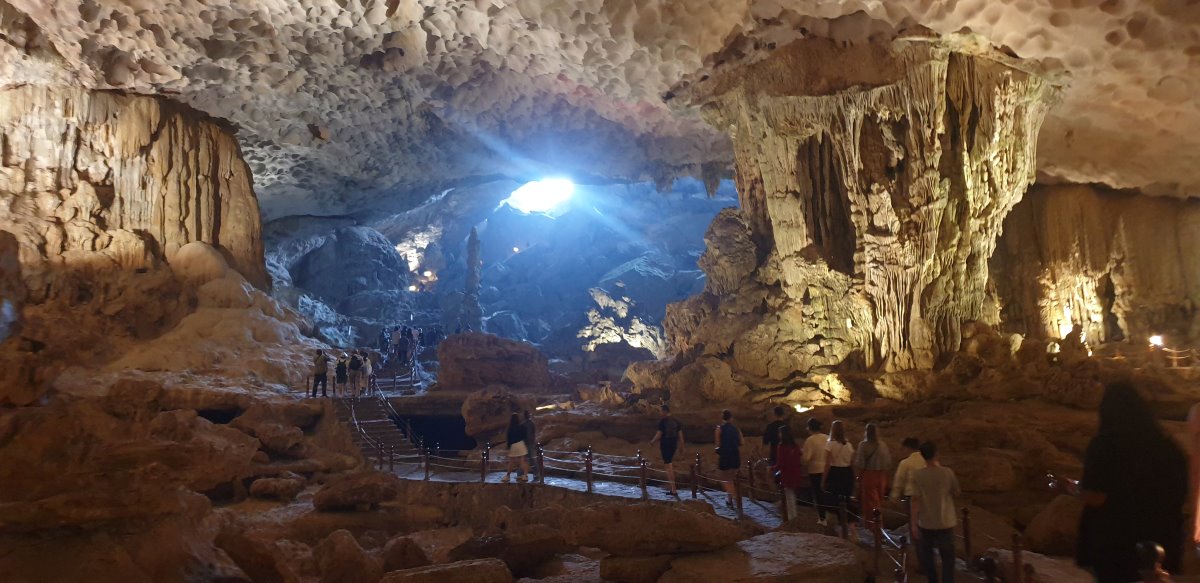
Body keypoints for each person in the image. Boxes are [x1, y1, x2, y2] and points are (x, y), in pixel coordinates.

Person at [1076, 382, 1187, 582]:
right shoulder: (1168, 447)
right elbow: (1179, 493)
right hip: (1161, 542)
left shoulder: (1105, 446)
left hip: (1117, 546)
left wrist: (1074, 490)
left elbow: (1096, 497)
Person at [911, 442, 961, 583]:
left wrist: (914, 524)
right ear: (936, 454)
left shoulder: (918, 475)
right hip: (945, 521)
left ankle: (932, 580)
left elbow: (915, 500)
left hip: (926, 522)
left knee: (928, 557)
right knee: (948, 558)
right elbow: (956, 492)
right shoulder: (947, 472)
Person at [854, 423, 893, 530]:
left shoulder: (863, 445)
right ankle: (878, 526)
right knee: (879, 501)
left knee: (870, 503)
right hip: (881, 476)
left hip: (869, 476)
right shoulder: (883, 445)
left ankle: (873, 527)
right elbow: (888, 462)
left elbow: (860, 463)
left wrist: (858, 477)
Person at [822, 420, 856, 534]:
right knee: (846, 500)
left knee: (834, 501)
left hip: (835, 473)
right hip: (846, 473)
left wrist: (823, 479)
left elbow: (827, 464)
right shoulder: (849, 445)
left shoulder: (830, 444)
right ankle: (850, 529)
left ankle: (839, 529)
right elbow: (852, 462)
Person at [891, 436, 924, 537]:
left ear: (908, 448)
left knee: (913, 521)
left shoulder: (905, 463)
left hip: (911, 496)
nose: (903, 451)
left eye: (903, 448)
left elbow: (898, 481)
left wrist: (894, 497)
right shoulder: (926, 460)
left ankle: (915, 543)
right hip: (927, 495)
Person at [650, 404, 685, 496]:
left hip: (665, 445)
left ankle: (673, 489)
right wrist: (682, 446)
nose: (660, 413)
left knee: (668, 467)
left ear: (665, 412)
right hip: (673, 445)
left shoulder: (663, 422)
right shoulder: (676, 421)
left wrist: (652, 441)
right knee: (669, 465)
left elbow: (659, 434)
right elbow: (681, 436)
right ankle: (671, 487)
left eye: (661, 411)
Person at [773, 425, 805, 519]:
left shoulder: (781, 446)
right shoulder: (795, 445)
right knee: (791, 495)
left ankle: (791, 516)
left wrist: (772, 469)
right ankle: (792, 515)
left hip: (787, 473)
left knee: (789, 496)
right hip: (795, 472)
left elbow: (781, 462)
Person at [802, 418, 829, 525]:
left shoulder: (810, 440)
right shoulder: (827, 438)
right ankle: (829, 516)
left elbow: (806, 458)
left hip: (815, 470)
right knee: (826, 494)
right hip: (827, 469)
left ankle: (822, 518)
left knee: (818, 495)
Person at [714, 409, 743, 507]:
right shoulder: (736, 429)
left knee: (724, 479)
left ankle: (735, 497)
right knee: (731, 479)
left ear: (722, 418)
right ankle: (730, 501)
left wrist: (717, 450)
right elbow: (742, 442)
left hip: (725, 456)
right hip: (735, 455)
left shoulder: (719, 428)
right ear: (731, 418)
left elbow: (718, 444)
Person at [501, 413, 531, 483]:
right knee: (522, 461)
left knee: (511, 462)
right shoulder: (522, 427)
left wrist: (508, 447)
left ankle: (507, 476)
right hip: (521, 444)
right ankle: (525, 476)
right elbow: (525, 436)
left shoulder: (510, 428)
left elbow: (509, 438)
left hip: (513, 446)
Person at [522, 410, 538, 480]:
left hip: (525, 444)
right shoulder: (531, 423)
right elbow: (533, 434)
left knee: (524, 459)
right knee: (531, 459)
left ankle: (522, 474)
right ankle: (535, 473)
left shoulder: (523, 424)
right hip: (529, 443)